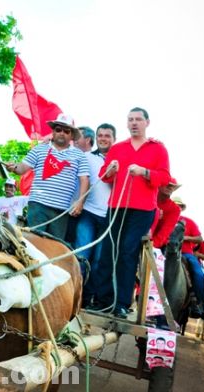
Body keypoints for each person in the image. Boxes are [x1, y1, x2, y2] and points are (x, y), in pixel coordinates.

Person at [88, 107, 170, 318]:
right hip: (116, 206)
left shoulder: (158, 148)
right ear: (127, 124)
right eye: (130, 120)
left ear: (147, 123)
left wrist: (145, 172)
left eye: (138, 119)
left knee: (127, 253)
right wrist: (112, 170)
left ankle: (122, 303)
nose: (134, 123)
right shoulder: (118, 148)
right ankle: (103, 300)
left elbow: (164, 178)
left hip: (142, 210)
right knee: (108, 252)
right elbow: (103, 176)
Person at [6, 113, 89, 240]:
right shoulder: (39, 149)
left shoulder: (80, 155)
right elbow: (22, 168)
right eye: (58, 129)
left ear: (71, 135)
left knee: (55, 248)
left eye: (66, 131)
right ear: (53, 131)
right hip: (38, 205)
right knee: (34, 244)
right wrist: (14, 167)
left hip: (62, 210)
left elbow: (84, 179)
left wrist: (80, 202)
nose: (62, 133)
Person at [75, 124, 116, 303]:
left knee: (99, 260)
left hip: (108, 215)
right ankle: (74, 293)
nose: (103, 138)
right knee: (81, 255)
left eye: (107, 135)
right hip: (88, 212)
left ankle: (87, 297)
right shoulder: (86, 157)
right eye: (100, 135)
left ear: (114, 138)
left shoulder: (120, 159)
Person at [173, 196, 204, 320]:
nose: (177, 207)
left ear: (182, 208)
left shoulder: (189, 221)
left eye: (180, 206)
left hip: (185, 253)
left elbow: (199, 238)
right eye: (175, 205)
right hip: (165, 251)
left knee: (198, 274)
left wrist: (185, 238)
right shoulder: (163, 216)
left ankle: (196, 303)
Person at [65, 126, 96, 244]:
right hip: (67, 209)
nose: (74, 139)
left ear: (88, 140)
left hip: (88, 212)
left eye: (78, 137)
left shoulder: (96, 159)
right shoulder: (69, 155)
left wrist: (80, 203)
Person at [150, 177, 182, 250]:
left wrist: (152, 245)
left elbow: (166, 231)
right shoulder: (148, 199)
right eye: (167, 184)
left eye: (173, 186)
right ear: (159, 185)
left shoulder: (175, 209)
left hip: (157, 245)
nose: (170, 187)